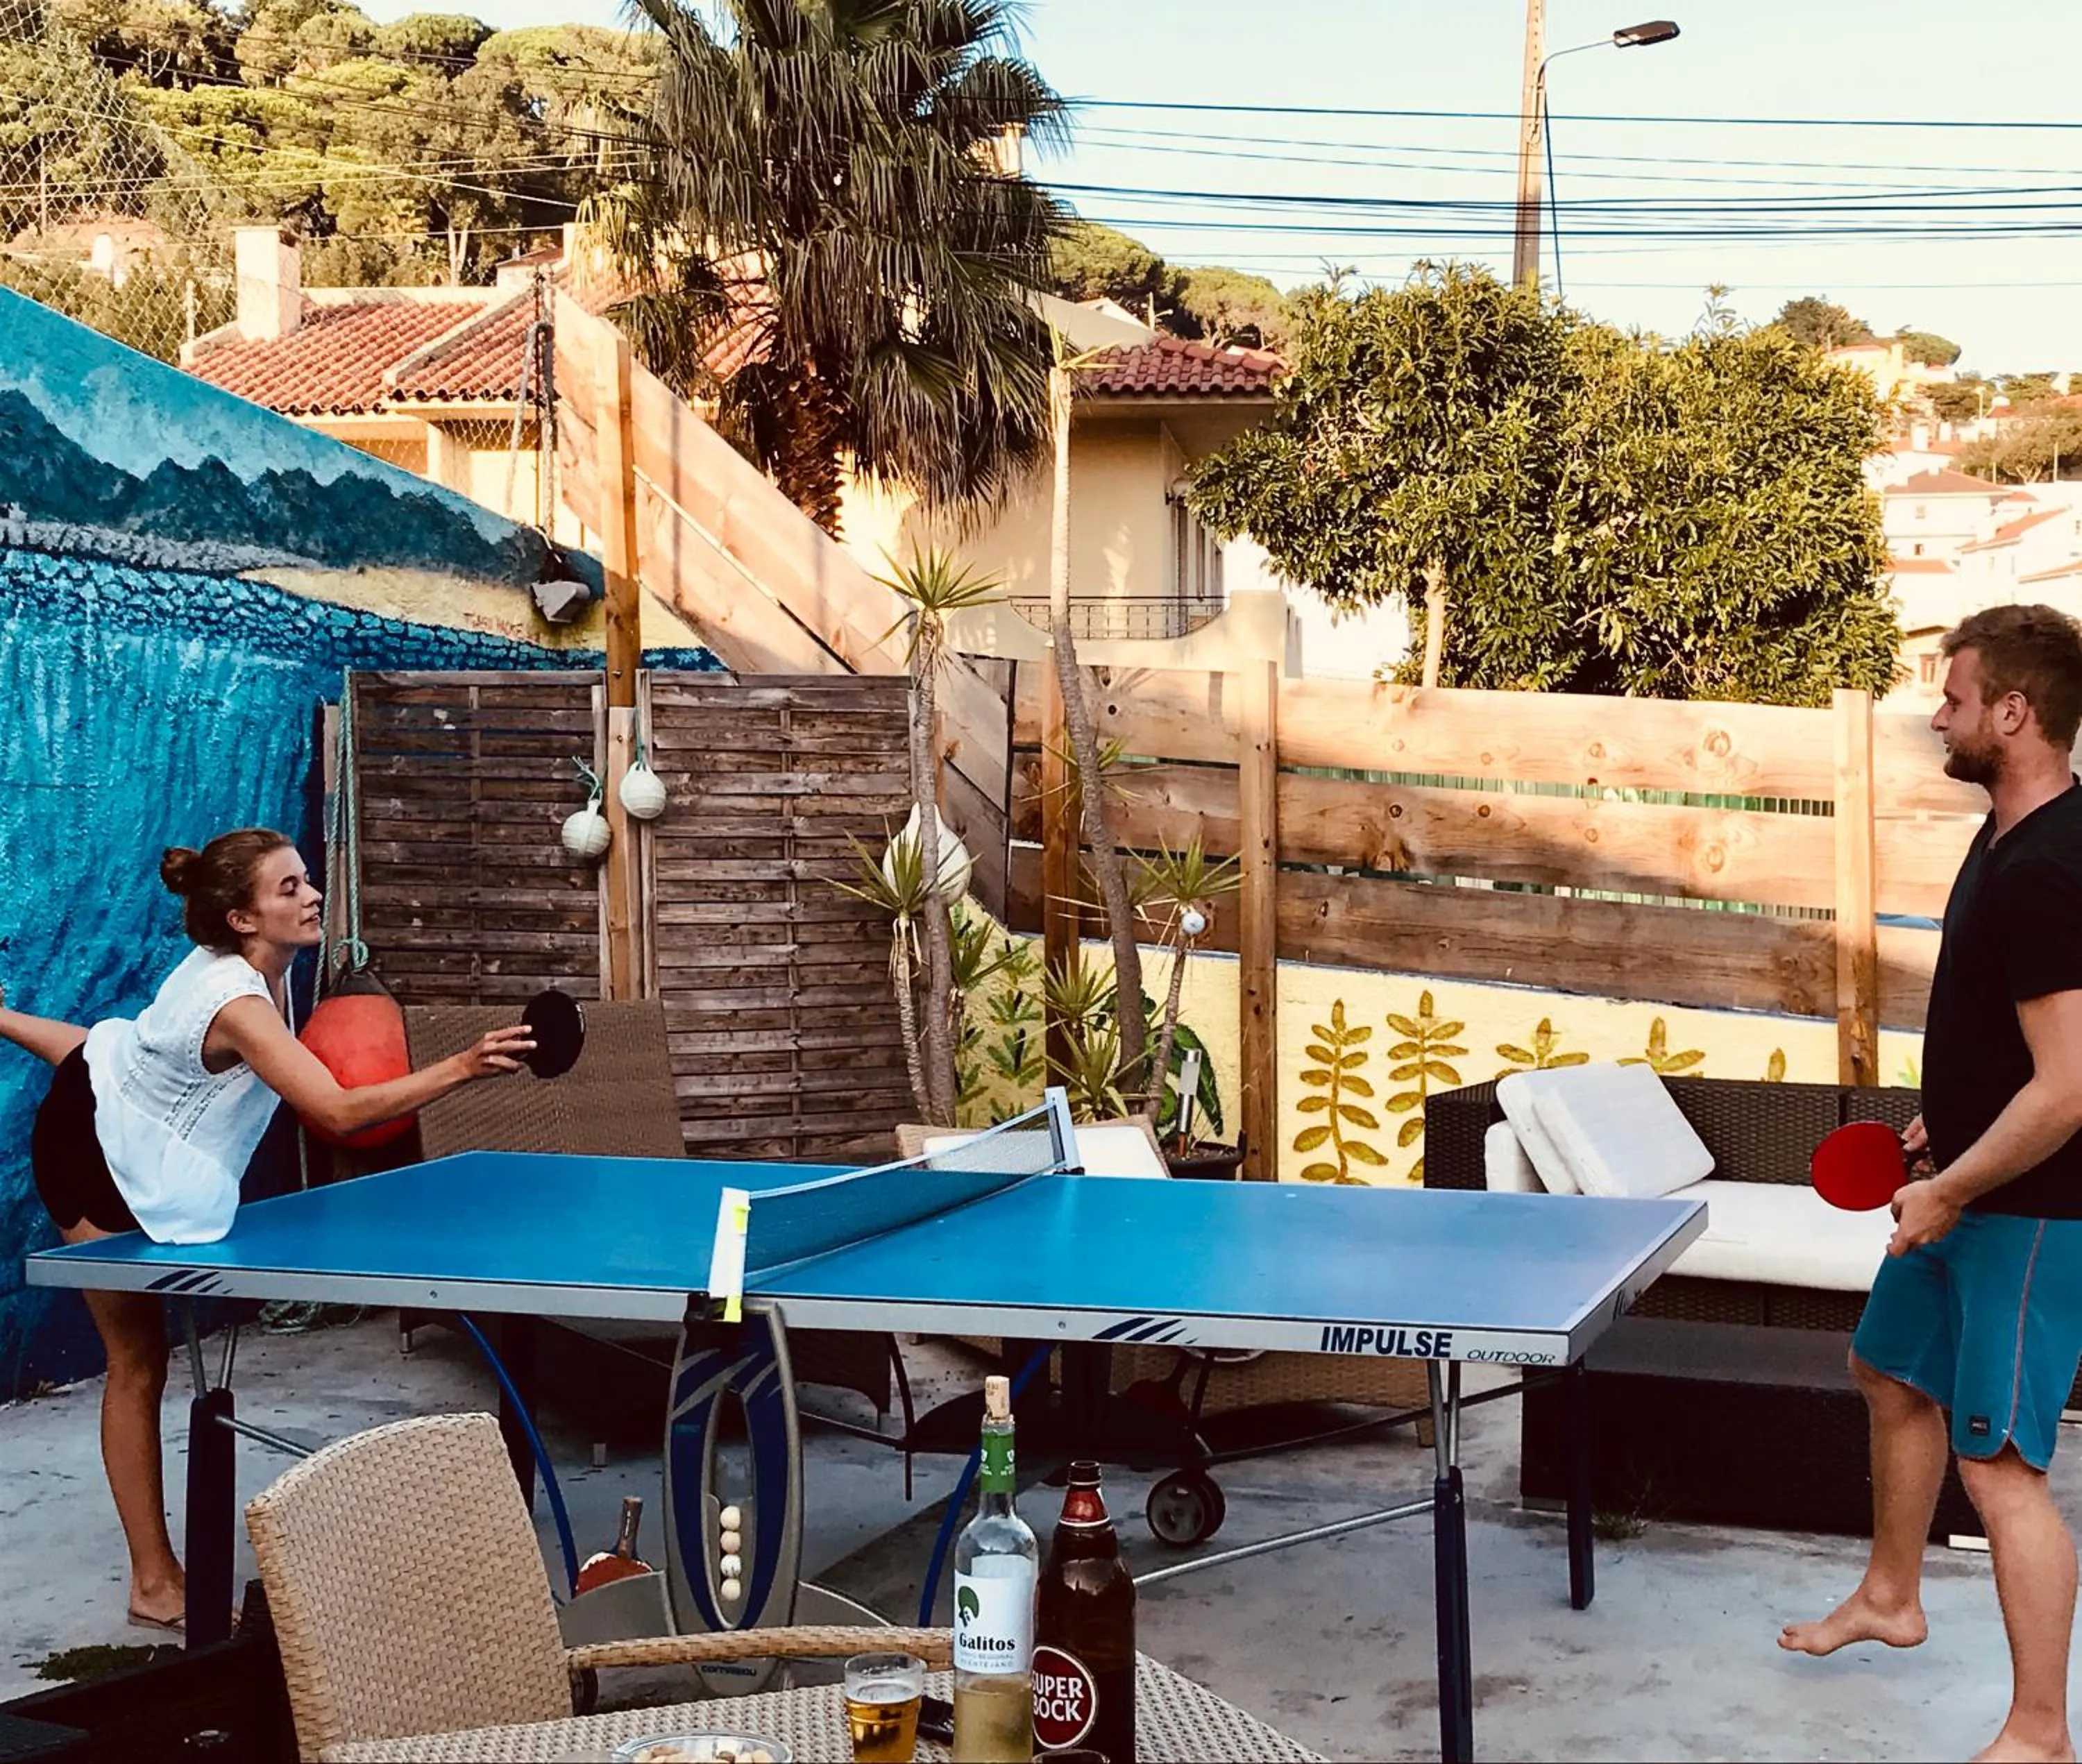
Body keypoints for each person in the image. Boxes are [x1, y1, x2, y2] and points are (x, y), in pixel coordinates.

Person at [1, 827, 534, 1633]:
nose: (311, 894)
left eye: (306, 880)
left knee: (105, 1053)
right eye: (287, 888)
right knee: (137, 1361)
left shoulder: (256, 968)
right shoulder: (243, 1003)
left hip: (118, 1093)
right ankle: (153, 1581)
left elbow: (126, 1056)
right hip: (93, 1161)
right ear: (241, 918)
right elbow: (336, 1110)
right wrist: (461, 1065)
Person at [1780, 605, 2082, 1764]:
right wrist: (1944, 1120)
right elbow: (2018, 1041)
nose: (1938, 715)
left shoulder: (2052, 869)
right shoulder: (2005, 836)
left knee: (2002, 1467)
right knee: (1887, 1366)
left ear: (2016, 712)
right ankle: (1892, 1596)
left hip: (2032, 1213)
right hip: (1968, 1174)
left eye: (1956, 698)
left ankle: (2043, 1733)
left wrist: (1954, 1186)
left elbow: (2066, 1088)